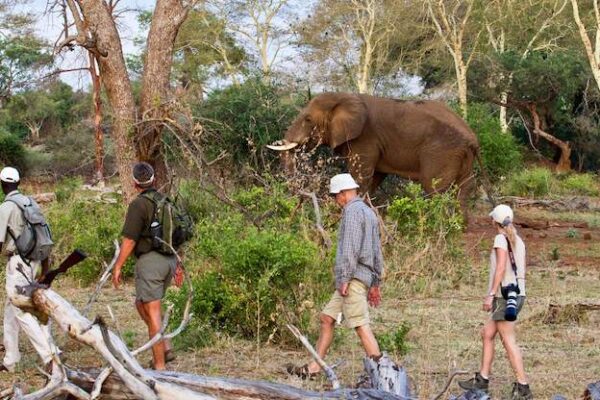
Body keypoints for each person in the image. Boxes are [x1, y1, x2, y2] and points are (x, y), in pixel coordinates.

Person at [287, 173, 383, 379]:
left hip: (352, 279)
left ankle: (382, 374)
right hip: (361, 277)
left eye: (335, 196)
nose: (335, 201)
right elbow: (377, 252)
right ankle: (314, 367)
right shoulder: (368, 212)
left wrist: (344, 279)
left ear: (342, 194)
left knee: (360, 325)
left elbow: (350, 250)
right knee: (327, 318)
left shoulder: (351, 212)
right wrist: (375, 283)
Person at [458, 204, 532, 400]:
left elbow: (500, 268)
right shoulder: (517, 239)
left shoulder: (500, 238)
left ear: (494, 221)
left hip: (504, 297)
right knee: (487, 333)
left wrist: (491, 294)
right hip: (517, 294)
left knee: (508, 340)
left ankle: (523, 386)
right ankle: (482, 380)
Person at [112, 162, 181, 370]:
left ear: (135, 183)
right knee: (141, 304)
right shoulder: (165, 200)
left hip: (151, 262)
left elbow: (130, 240)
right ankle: (166, 347)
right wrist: (178, 264)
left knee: (152, 314)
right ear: (154, 179)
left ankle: (159, 368)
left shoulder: (138, 204)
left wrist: (118, 266)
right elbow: (177, 235)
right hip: (169, 260)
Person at [0, 166, 57, 372]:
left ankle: (50, 356)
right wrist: (45, 266)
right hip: (35, 261)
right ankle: (11, 359)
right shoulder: (30, 203)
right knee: (10, 310)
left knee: (21, 310)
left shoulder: (5, 207)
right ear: (18, 182)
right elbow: (44, 235)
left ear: (2, 185)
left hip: (18, 264)